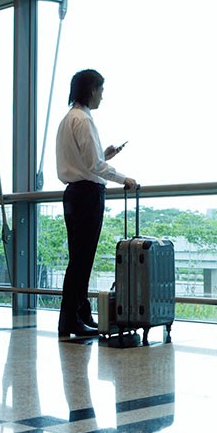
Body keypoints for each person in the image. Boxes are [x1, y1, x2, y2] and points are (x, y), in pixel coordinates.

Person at [56, 69, 137, 338]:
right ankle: (70, 319)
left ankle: (79, 314)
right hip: (87, 195)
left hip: (73, 194)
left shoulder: (68, 119)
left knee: (78, 258)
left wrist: (105, 156)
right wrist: (124, 178)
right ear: (91, 90)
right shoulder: (84, 121)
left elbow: (85, 163)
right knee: (82, 260)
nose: (102, 95)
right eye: (101, 90)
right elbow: (93, 166)